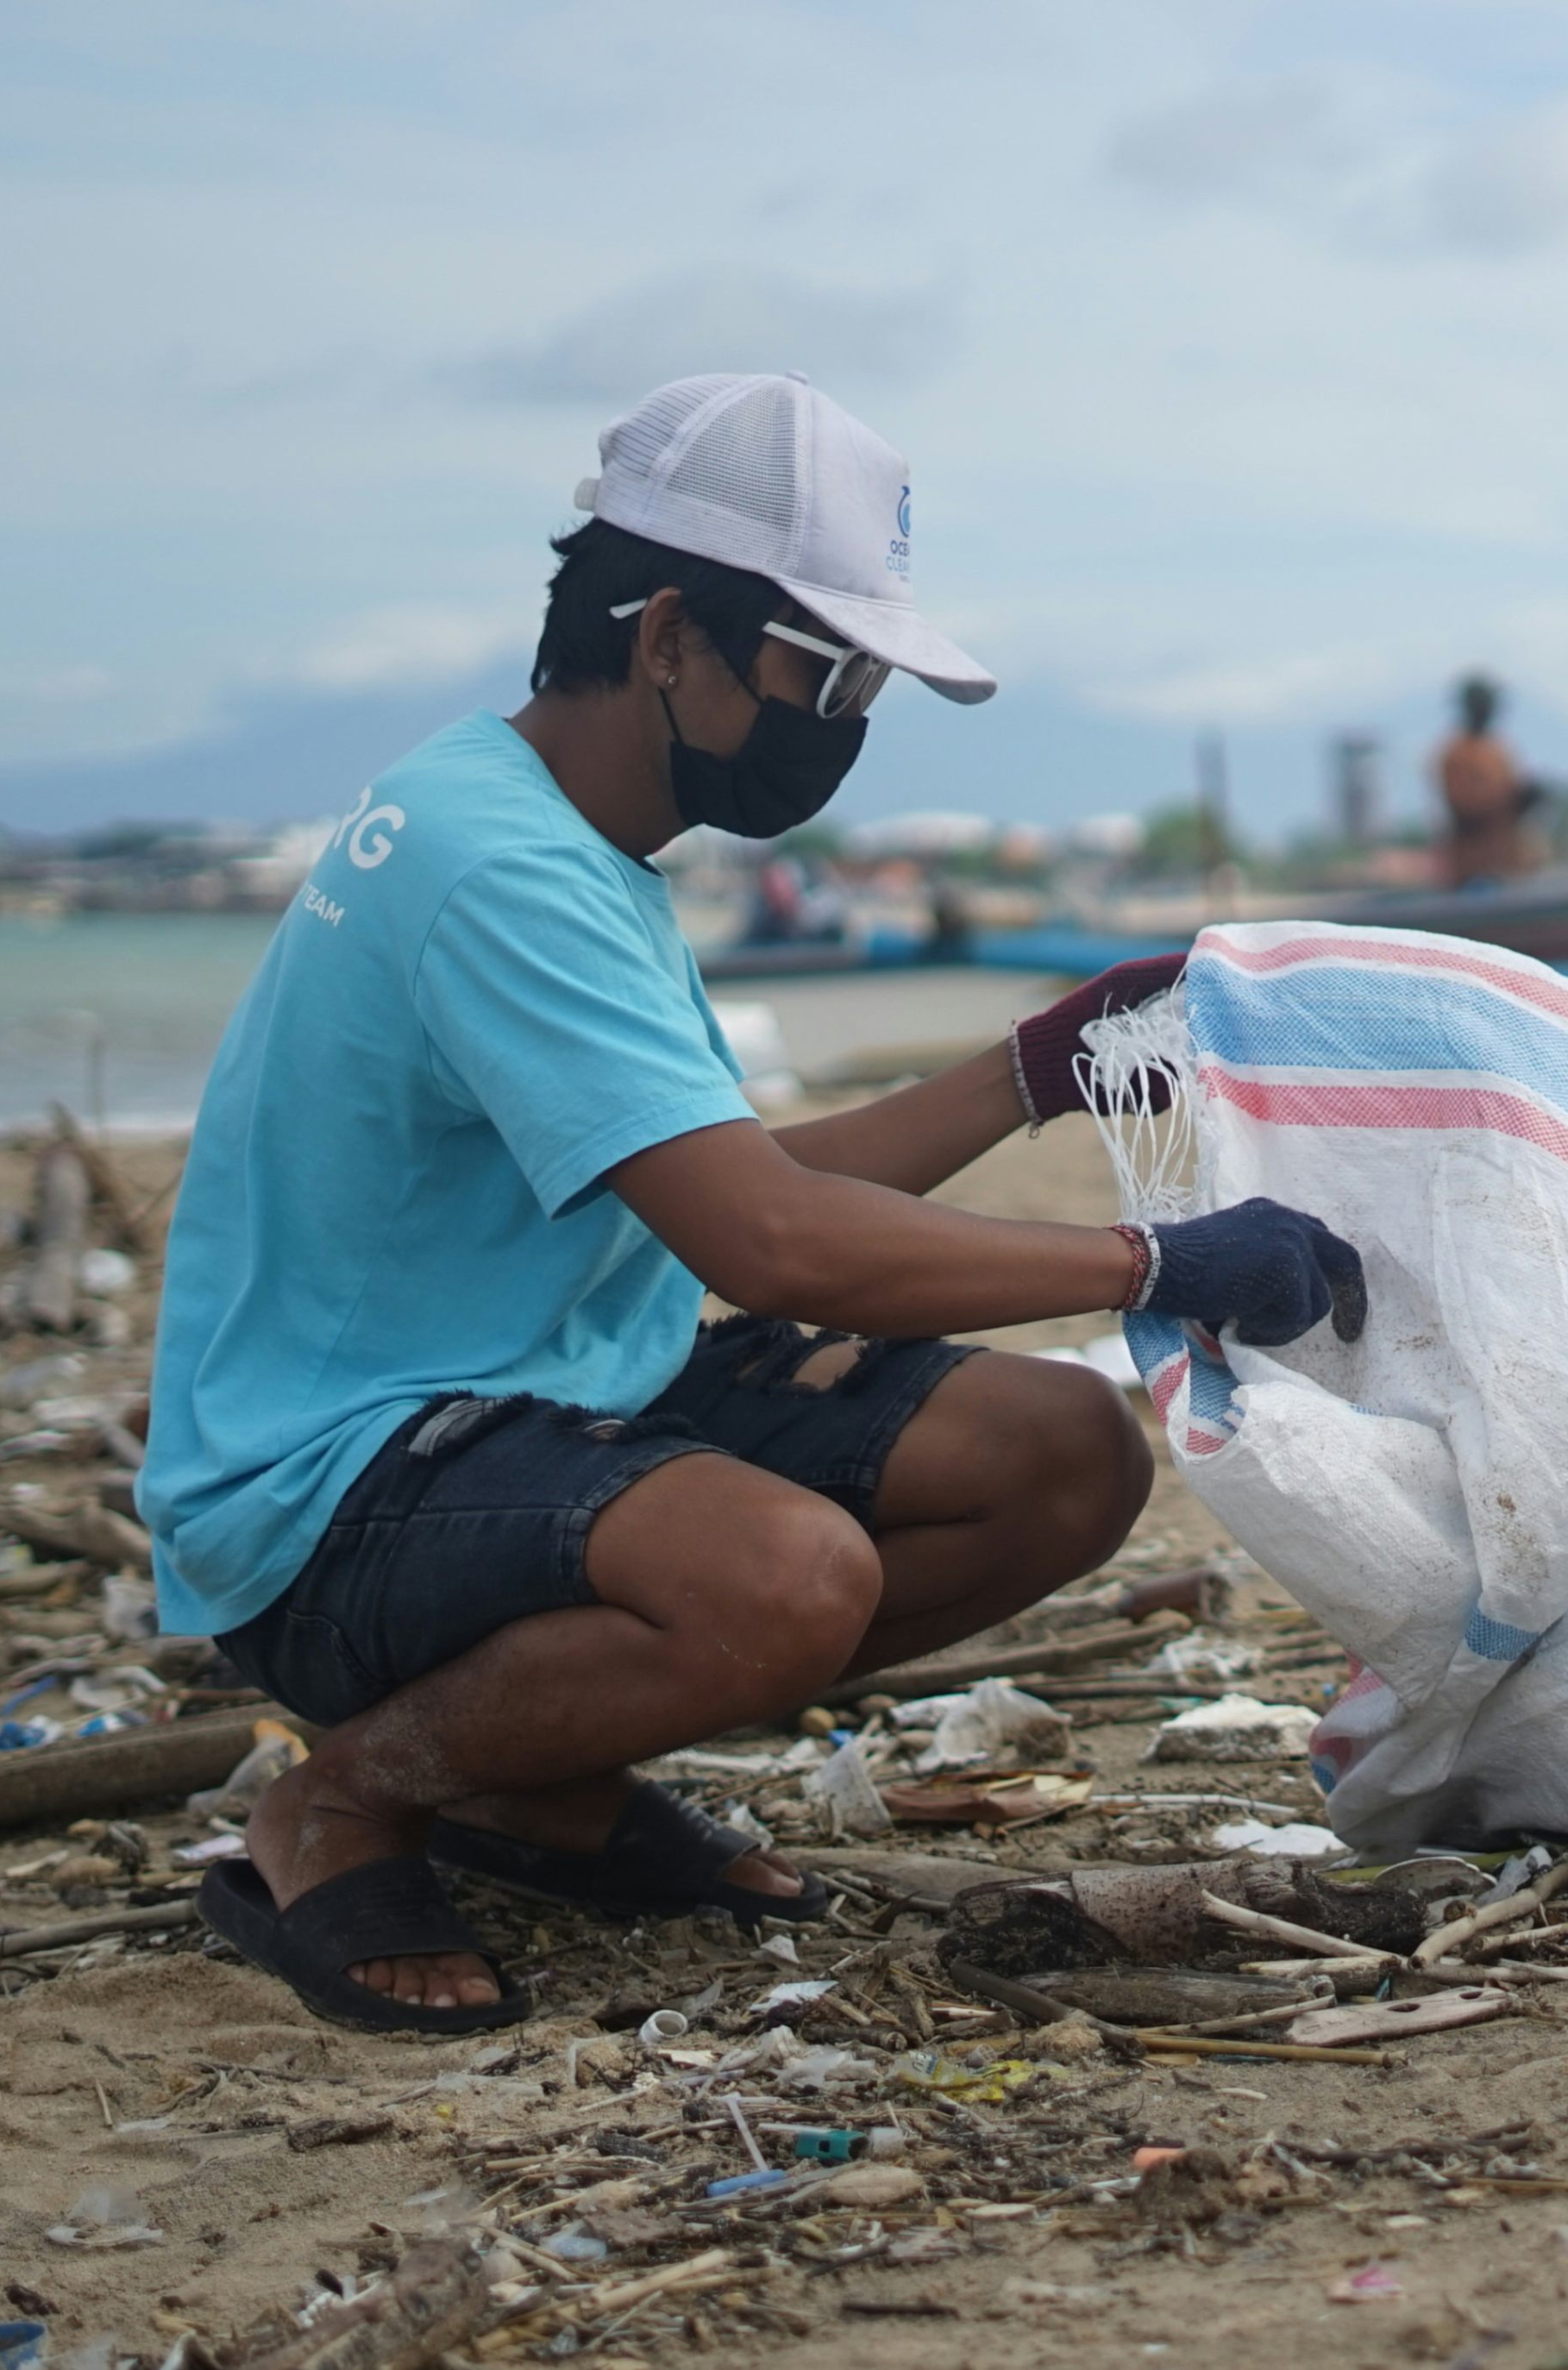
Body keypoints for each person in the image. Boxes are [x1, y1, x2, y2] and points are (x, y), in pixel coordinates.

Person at [141, 374, 1364, 2032]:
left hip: (544, 1397)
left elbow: (744, 1179)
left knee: (1059, 1456)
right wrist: (1151, 1259)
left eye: (865, 680)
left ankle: (533, 1779)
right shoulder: (498, 866)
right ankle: (345, 1800)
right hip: (332, 1489)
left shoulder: (552, 827)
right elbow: (772, 1248)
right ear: (666, 639)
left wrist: (1036, 1068)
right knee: (780, 1578)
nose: (845, 719)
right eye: (822, 668)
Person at [1434, 671, 1542, 889]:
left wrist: (1526, 800)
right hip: (1474, 872)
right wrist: (1514, 800)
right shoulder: (1457, 753)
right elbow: (1466, 810)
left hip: (1508, 867)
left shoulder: (1498, 749)